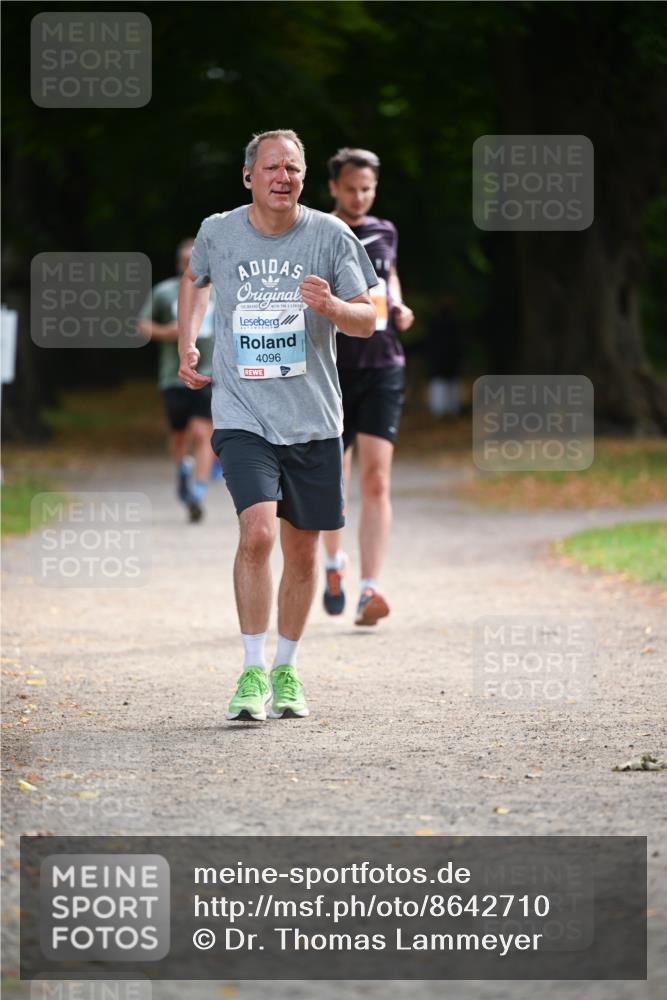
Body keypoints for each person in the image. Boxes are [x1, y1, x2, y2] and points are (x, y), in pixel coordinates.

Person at [178, 129, 377, 721]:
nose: (281, 177)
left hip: (314, 418)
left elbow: (368, 319)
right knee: (258, 534)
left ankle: (287, 669)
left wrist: (333, 308)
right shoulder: (219, 231)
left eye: (292, 168)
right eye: (270, 168)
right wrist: (188, 343)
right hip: (244, 414)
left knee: (303, 549)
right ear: (248, 177)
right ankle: (251, 670)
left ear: (303, 178)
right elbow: (197, 282)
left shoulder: (330, 235)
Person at [321, 148, 415, 626]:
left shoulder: (386, 230)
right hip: (329, 371)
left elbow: (388, 277)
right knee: (331, 483)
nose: (360, 197)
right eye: (351, 188)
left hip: (382, 366)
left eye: (368, 189)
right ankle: (334, 564)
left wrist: (398, 306)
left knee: (376, 479)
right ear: (333, 187)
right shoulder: (316, 231)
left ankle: (369, 588)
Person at [138, 239, 217, 522]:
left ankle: (198, 489)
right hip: (173, 376)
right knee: (179, 436)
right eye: (185, 260)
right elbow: (143, 325)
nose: (190, 264)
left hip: (209, 373)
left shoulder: (218, 291)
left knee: (202, 432)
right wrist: (167, 332)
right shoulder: (164, 292)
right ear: (178, 263)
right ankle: (183, 468)